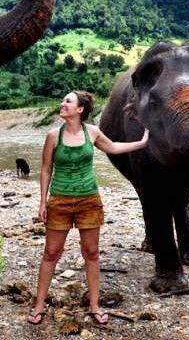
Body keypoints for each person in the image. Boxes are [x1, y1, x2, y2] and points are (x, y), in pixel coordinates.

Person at [26, 91, 149, 326]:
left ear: (80, 109)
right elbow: (45, 170)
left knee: (91, 253)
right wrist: (42, 202)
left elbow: (112, 147)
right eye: (63, 101)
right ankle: (39, 304)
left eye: (67, 102)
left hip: (89, 200)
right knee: (51, 253)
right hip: (59, 200)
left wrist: (141, 143)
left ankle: (94, 305)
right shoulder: (53, 135)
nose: (62, 104)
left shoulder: (91, 132)